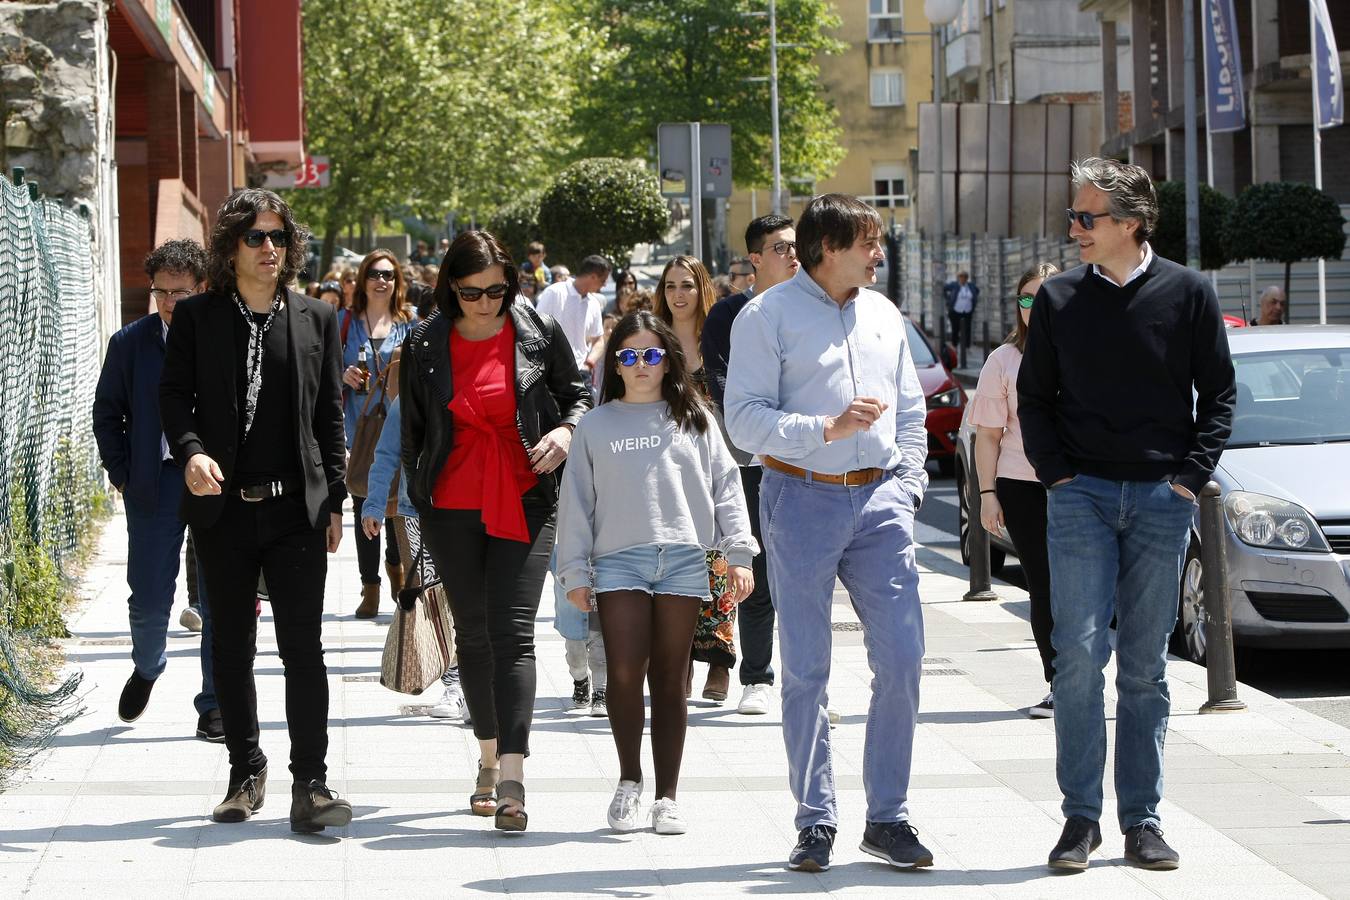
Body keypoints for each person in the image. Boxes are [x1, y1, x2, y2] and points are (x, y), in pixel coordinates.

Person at [1018, 157, 1235, 872]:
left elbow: (1220, 396)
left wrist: (1187, 479)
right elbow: (1035, 398)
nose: (1074, 228)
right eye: (1074, 216)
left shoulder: (1189, 293)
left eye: (1087, 217)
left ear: (1130, 223)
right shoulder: (1057, 299)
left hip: (1159, 500)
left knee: (1145, 666)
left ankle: (1142, 818)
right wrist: (1055, 475)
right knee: (1077, 656)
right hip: (1078, 497)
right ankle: (1080, 820)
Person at [726, 193, 932, 873]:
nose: (879, 254)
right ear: (825, 249)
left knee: (901, 658)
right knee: (808, 669)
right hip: (800, 498)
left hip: (880, 503)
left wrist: (907, 487)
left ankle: (888, 818)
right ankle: (815, 820)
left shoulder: (884, 314)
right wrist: (824, 429)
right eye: (867, 243)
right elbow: (743, 421)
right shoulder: (767, 316)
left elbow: (910, 407)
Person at [159, 187, 352, 833]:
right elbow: (173, 397)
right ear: (230, 247)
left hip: (295, 508)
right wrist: (189, 451)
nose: (270, 248)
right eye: (256, 238)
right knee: (232, 645)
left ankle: (312, 783)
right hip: (222, 511)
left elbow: (329, 416)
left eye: (278, 237)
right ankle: (245, 770)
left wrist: (336, 504)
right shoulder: (197, 319)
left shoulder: (316, 319)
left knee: (304, 649)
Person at [400, 230, 591, 831]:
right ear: (450, 288)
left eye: (497, 291)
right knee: (475, 635)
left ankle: (512, 777)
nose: (486, 303)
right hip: (450, 503)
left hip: (526, 495)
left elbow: (578, 392)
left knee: (513, 632)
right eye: (472, 292)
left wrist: (566, 431)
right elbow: (412, 436)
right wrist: (413, 509)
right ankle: (486, 757)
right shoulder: (424, 343)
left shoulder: (535, 328)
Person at [556, 310, 757, 835]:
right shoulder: (596, 426)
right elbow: (576, 502)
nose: (641, 365)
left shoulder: (695, 418)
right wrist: (573, 569)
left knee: (670, 679)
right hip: (618, 559)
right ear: (615, 365)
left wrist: (739, 553)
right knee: (624, 671)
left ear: (668, 360)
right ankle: (628, 781)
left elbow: (727, 485)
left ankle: (667, 796)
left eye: (651, 354)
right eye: (629, 356)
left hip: (685, 559)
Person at [92, 238, 221, 743]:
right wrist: (122, 472)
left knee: (218, 598)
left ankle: (214, 703)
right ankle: (147, 666)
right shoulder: (129, 343)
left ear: (202, 288)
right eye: (160, 292)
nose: (169, 302)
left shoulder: (221, 338)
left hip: (213, 484)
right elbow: (108, 414)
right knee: (148, 600)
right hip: (153, 483)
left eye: (180, 292)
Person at [701, 213, 799, 716]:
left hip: (808, 461)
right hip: (752, 460)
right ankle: (757, 676)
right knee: (756, 569)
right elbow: (723, 388)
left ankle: (810, 682)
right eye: (781, 247)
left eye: (796, 246)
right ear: (755, 259)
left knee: (806, 575)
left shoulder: (814, 310)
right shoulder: (728, 316)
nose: (794, 254)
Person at [969, 262, 1060, 719]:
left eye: (1045, 297)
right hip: (1023, 486)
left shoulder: (1085, 351)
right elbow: (987, 436)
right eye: (1027, 299)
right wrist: (988, 496)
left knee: (1089, 588)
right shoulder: (1004, 361)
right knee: (1044, 586)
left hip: (1082, 487)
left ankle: (1088, 678)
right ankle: (1059, 683)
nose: (1035, 307)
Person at [360, 364, 467, 723]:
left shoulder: (474, 389)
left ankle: (476, 683)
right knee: (434, 599)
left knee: (469, 599)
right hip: (415, 513)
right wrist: (373, 505)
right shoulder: (408, 400)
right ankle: (455, 685)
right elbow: (386, 453)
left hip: (469, 511)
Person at [653, 255, 730, 701]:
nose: (678, 294)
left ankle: (718, 663)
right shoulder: (654, 340)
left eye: (686, 285)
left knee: (718, 563)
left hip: (717, 462)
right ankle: (677, 663)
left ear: (702, 288)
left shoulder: (717, 337)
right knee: (674, 567)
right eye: (670, 286)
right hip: (665, 464)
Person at [340, 249, 419, 618]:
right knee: (362, 505)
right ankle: (369, 587)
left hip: (399, 431)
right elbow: (323, 370)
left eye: (388, 274)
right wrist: (343, 375)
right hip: (358, 430)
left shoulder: (409, 323)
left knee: (395, 509)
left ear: (397, 281)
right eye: (374, 274)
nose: (381, 280)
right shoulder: (345, 322)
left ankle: (398, 576)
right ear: (362, 279)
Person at [537, 255, 609, 379]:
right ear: (593, 277)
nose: (604, 285)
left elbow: (598, 340)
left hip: (581, 375)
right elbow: (534, 329)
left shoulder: (594, 303)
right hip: (552, 376)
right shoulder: (554, 293)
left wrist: (589, 364)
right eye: (603, 280)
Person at [944, 271, 979, 349]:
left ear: (967, 278)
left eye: (964, 277)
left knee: (967, 330)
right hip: (955, 311)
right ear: (958, 278)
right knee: (955, 329)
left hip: (967, 311)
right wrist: (948, 300)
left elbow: (977, 291)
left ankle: (967, 347)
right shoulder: (954, 285)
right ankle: (954, 345)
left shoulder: (971, 286)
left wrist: (974, 301)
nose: (963, 279)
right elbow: (945, 288)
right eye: (961, 277)